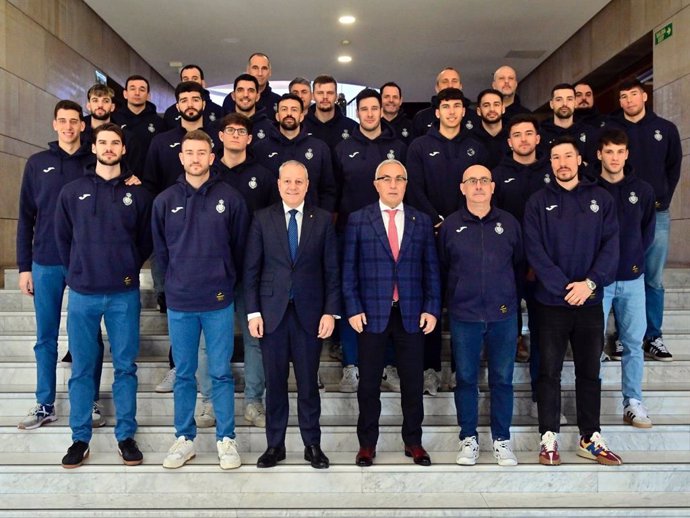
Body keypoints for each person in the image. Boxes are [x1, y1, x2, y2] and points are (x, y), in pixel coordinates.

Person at [55, 123, 153, 468]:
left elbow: (146, 239)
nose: (109, 148)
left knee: (125, 366)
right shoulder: (72, 191)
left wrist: (127, 264)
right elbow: (62, 238)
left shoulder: (138, 193)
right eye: (103, 143)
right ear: (93, 147)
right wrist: (76, 270)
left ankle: (126, 435)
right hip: (83, 293)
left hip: (123, 292)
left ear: (123, 149)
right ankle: (79, 438)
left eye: (115, 143)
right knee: (82, 369)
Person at [152, 130, 249, 470]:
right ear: (182, 158)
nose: (195, 158)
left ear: (212, 157)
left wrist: (226, 280)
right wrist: (166, 291)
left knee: (220, 373)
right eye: (189, 152)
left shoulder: (231, 198)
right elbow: (160, 254)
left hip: (218, 300)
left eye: (201, 153)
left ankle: (226, 438)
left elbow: (239, 249)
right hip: (181, 302)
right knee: (184, 373)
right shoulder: (165, 201)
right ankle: (184, 439)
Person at [523, 135, 622, 466]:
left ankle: (589, 436)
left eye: (568, 156)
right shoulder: (538, 201)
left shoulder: (601, 199)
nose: (562, 162)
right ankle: (548, 437)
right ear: (549, 163)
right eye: (555, 157)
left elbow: (611, 247)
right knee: (548, 372)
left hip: (590, 303)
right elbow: (534, 249)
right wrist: (565, 287)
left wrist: (589, 284)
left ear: (580, 160)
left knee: (589, 372)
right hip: (550, 303)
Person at [342, 159, 441, 467]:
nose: (394, 184)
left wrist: (432, 307)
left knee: (413, 383)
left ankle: (413, 441)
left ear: (406, 184)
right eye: (387, 178)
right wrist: (354, 307)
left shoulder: (421, 221)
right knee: (369, 383)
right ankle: (367, 445)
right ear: (376, 184)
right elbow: (349, 269)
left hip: (412, 313)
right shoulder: (359, 220)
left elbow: (432, 270)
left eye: (400, 178)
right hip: (371, 314)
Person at [244, 160, 341, 469]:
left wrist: (331, 312)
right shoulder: (262, 218)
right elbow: (252, 271)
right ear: (279, 183)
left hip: (310, 315)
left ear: (307, 184)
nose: (293, 186)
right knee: (275, 384)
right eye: (288, 181)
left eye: (299, 182)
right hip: (271, 315)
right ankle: (275, 446)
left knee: (308, 384)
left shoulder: (323, 220)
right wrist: (253, 312)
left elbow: (332, 272)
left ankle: (312, 444)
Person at [16, 100, 102, 431]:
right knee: (46, 336)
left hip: (84, 262)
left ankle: (90, 399)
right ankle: (45, 403)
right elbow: (25, 217)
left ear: (83, 125)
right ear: (54, 125)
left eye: (73, 121)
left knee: (89, 336)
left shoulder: (96, 161)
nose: (68, 126)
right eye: (62, 121)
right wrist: (25, 266)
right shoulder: (38, 164)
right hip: (46, 261)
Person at [196, 112, 278, 429]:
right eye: (229, 130)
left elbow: (274, 223)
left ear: (248, 138)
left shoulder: (264, 175)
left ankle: (254, 402)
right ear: (221, 136)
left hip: (252, 272)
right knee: (210, 341)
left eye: (240, 131)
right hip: (212, 272)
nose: (234, 135)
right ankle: (208, 402)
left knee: (256, 339)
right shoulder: (207, 174)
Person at [439, 165, 523, 467]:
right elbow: (443, 268)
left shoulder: (510, 224)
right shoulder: (450, 226)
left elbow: (519, 266)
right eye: (472, 181)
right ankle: (469, 439)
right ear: (462, 187)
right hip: (465, 315)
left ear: (492, 186)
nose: (478, 186)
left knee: (502, 379)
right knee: (465, 379)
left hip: (503, 316)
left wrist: (509, 300)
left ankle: (502, 440)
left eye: (484, 180)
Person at [406, 87, 488, 395]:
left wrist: (457, 223)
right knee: (428, 301)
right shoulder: (419, 146)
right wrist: (436, 220)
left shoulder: (476, 147)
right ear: (437, 112)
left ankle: (458, 369)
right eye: (446, 106)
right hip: (428, 234)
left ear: (463, 112)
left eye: (457, 106)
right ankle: (429, 369)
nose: (452, 111)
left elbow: (479, 190)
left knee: (461, 305)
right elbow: (413, 189)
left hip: (466, 236)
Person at [144, 81, 219, 392]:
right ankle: (177, 366)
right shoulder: (162, 143)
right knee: (173, 308)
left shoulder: (215, 139)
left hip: (210, 241)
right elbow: (150, 184)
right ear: (176, 105)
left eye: (195, 98)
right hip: (172, 240)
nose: (190, 103)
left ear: (203, 102)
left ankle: (211, 373)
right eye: (184, 99)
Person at [333, 89, 408, 393]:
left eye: (374, 108)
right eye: (363, 109)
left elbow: (406, 188)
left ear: (381, 111)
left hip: (392, 232)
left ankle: (388, 365)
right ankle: (351, 365)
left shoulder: (398, 147)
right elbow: (335, 191)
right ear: (357, 113)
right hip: (354, 233)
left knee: (390, 301)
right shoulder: (343, 148)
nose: (369, 113)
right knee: (352, 296)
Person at [608, 79, 682, 361]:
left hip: (657, 212)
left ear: (644, 96)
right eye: (623, 96)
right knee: (616, 275)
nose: (628, 101)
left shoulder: (665, 129)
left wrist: (663, 199)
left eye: (633, 95)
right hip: (620, 214)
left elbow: (673, 167)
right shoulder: (614, 130)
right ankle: (618, 335)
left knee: (652, 278)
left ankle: (653, 336)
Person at [596, 129, 655, 427]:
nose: (615, 157)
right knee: (593, 343)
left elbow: (647, 233)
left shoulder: (642, 190)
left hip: (632, 279)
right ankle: (590, 402)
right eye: (609, 151)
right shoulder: (589, 189)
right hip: (598, 281)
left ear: (627, 154)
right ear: (599, 155)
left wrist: (633, 261)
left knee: (633, 342)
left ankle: (632, 401)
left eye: (620, 151)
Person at [253, 94, 337, 212]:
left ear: (301, 116)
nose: (289, 114)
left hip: (311, 222)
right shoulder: (260, 149)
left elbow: (328, 191)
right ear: (277, 116)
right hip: (270, 224)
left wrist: (321, 219)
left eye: (294, 109)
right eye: (284, 109)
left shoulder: (319, 148)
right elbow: (257, 192)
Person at [111, 75, 166, 174]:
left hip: (150, 178)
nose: (137, 93)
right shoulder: (114, 120)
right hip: (119, 176)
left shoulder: (159, 123)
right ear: (125, 94)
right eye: (132, 89)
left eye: (142, 89)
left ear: (148, 96)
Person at [537, 83, 596, 167]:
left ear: (575, 103)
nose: (564, 104)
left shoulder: (590, 132)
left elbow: (594, 166)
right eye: (559, 99)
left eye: (569, 99)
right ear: (551, 104)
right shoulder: (541, 134)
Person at [412, 67, 478, 137]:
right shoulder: (422, 117)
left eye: (454, 81)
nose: (450, 85)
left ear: (460, 86)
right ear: (437, 88)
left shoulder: (474, 117)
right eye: (445, 81)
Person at [302, 75, 357, 151]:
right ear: (312, 96)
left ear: (336, 96)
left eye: (330, 93)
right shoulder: (301, 126)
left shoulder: (352, 127)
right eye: (320, 93)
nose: (325, 97)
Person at [163, 64, 223, 130]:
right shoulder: (171, 112)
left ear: (203, 83)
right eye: (186, 79)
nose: (190, 82)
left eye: (195, 78)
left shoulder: (218, 111)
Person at [225, 74, 275, 142]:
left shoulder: (271, 129)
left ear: (257, 96)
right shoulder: (219, 126)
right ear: (233, 96)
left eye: (251, 90)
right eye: (240, 90)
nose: (245, 95)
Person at [471, 88, 511, 169]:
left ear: (503, 108)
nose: (492, 109)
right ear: (479, 111)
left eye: (496, 104)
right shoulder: (470, 139)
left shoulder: (514, 136)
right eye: (486, 105)